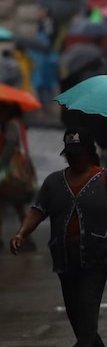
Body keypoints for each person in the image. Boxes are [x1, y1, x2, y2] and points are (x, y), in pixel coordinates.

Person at [9, 129, 107, 347]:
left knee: (88, 309)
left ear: (91, 154)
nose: (74, 159)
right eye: (70, 154)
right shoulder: (53, 182)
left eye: (79, 154)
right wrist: (21, 233)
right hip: (64, 257)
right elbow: (37, 211)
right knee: (74, 312)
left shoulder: (106, 178)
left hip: (98, 257)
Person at [0, 103, 36, 249]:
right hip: (17, 172)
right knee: (15, 205)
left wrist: (1, 163)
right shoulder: (17, 124)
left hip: (11, 172)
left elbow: (9, 146)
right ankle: (26, 238)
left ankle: (25, 238)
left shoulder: (12, 124)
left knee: (12, 204)